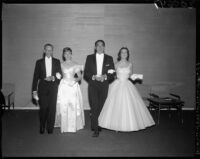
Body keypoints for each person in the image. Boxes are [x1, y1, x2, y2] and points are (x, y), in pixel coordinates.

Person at [98, 47, 155, 132]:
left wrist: (136, 77)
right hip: (117, 85)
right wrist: (106, 74)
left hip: (127, 85)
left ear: (127, 54)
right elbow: (112, 75)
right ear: (119, 54)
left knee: (129, 105)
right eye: (122, 52)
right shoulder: (116, 64)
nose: (124, 54)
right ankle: (116, 125)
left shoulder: (130, 64)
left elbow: (130, 75)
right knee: (116, 105)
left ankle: (130, 125)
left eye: (125, 52)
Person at [84, 40, 115, 137]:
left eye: (102, 46)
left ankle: (98, 123)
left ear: (104, 47)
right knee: (94, 106)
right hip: (93, 85)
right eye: (98, 45)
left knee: (101, 106)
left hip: (104, 85)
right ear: (95, 47)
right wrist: (93, 76)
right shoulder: (89, 57)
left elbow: (112, 73)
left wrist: (105, 77)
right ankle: (95, 129)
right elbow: (86, 73)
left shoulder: (109, 58)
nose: (100, 47)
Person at [32, 43, 62, 134]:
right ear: (44, 51)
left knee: (52, 108)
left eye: (50, 50)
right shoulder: (39, 62)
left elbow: (60, 75)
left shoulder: (57, 61)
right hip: (42, 88)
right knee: (44, 108)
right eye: (47, 50)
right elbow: (35, 77)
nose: (49, 51)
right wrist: (34, 90)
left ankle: (50, 128)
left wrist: (53, 77)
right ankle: (42, 125)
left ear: (52, 51)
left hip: (53, 87)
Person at [54, 47, 85, 133]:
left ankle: (72, 125)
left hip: (72, 86)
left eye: (69, 53)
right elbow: (58, 75)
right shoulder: (60, 64)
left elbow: (79, 77)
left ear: (71, 54)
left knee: (73, 105)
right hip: (63, 86)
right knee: (63, 104)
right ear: (63, 55)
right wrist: (58, 76)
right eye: (65, 53)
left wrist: (74, 81)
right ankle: (64, 125)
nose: (67, 55)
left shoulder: (75, 64)